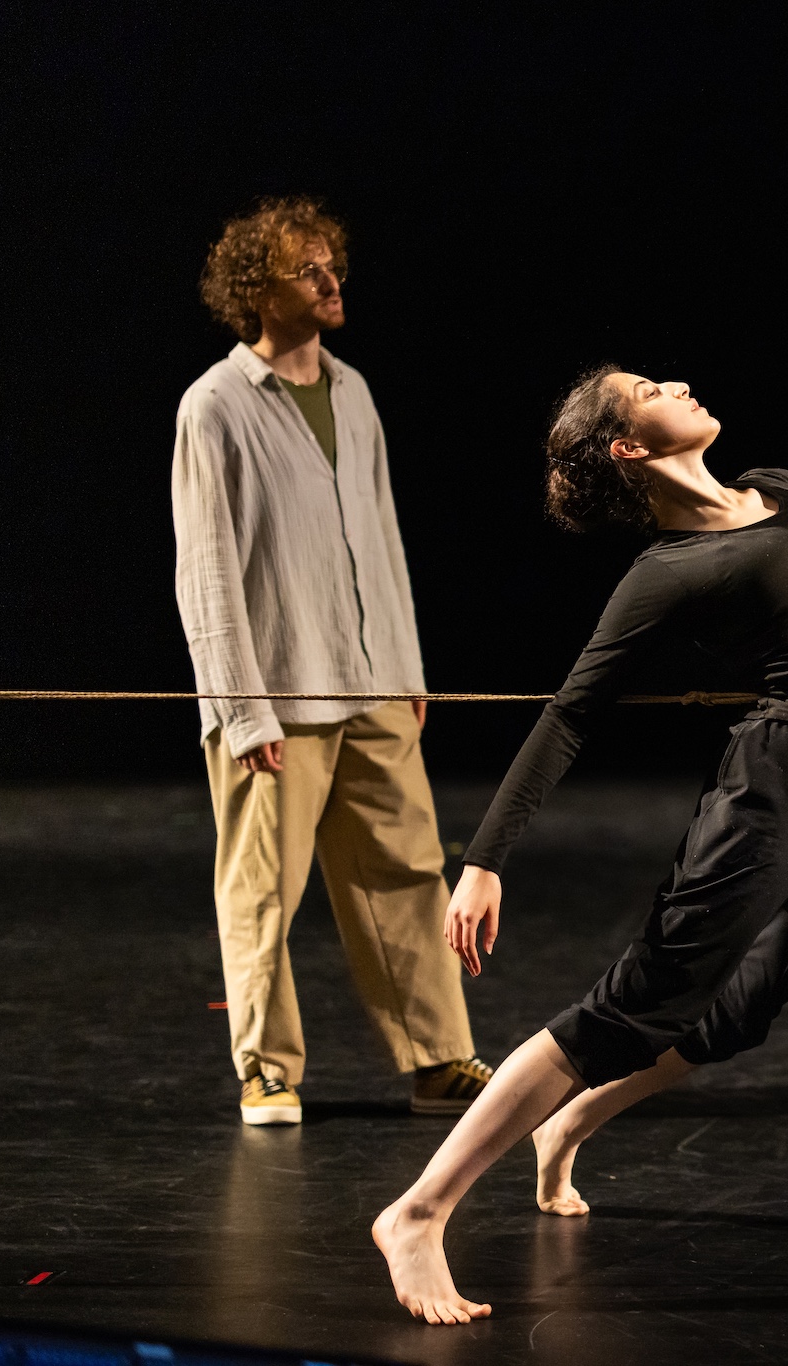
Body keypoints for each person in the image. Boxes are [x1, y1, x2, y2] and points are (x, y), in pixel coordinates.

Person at [372, 366, 788, 1325]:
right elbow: (570, 717)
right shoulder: (667, 570)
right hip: (784, 775)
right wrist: (483, 861)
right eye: (648, 386)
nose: (679, 380)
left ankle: (566, 1124)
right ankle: (417, 1212)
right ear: (629, 447)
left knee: (748, 1006)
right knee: (643, 998)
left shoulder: (786, 486)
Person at [173, 197, 491, 1126]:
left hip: (372, 682)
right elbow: (207, 570)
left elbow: (382, 539)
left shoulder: (352, 390)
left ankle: (438, 1060)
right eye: (306, 270)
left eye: (331, 265)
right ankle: (266, 1067)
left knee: (406, 869)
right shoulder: (216, 406)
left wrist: (407, 664)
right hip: (278, 694)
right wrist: (240, 709)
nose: (329, 281)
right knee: (265, 888)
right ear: (255, 292)